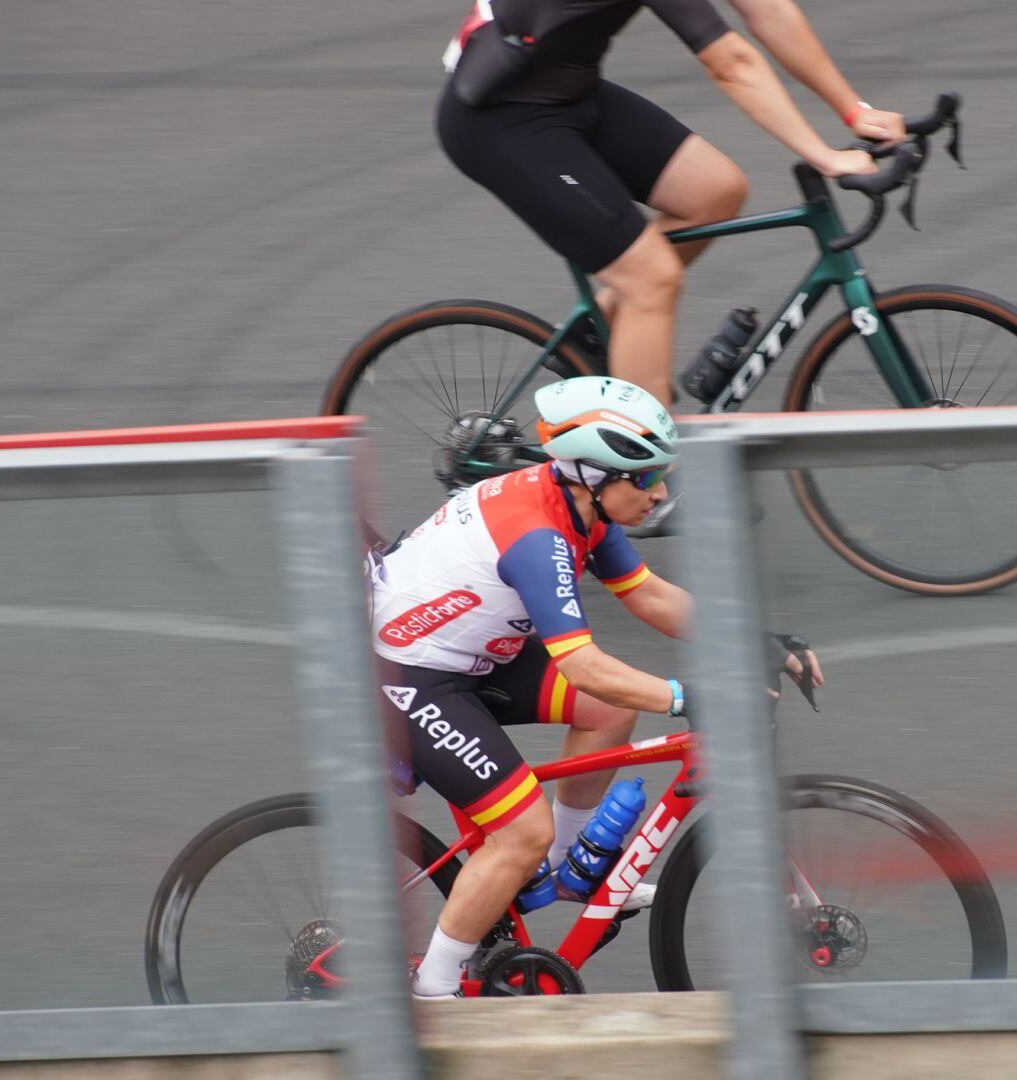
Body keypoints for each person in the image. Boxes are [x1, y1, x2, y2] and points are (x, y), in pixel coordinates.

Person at [368, 376, 818, 998]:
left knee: (607, 710)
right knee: (521, 830)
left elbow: (652, 597)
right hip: (408, 678)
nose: (660, 492)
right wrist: (691, 698)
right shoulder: (541, 538)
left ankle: (571, 871)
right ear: (597, 475)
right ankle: (435, 992)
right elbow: (581, 663)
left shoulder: (581, 506)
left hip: (466, 653)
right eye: (646, 478)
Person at [436, 0, 901, 408]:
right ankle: (639, 486)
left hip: (569, 96)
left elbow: (770, 10)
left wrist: (854, 111)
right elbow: (730, 64)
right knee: (651, 278)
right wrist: (823, 156)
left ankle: (598, 335)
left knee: (713, 191)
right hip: (500, 122)